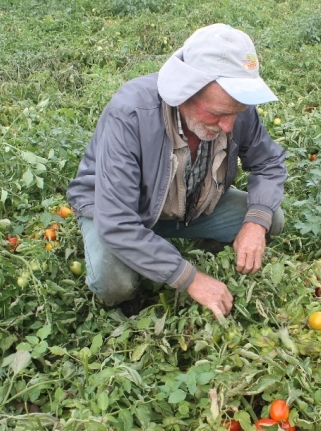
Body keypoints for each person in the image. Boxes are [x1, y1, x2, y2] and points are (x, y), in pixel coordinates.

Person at [66, 23, 287, 320]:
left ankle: (196, 247)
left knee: (269, 217)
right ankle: (129, 301)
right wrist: (191, 279)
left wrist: (255, 224)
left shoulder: (235, 109)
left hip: (189, 204)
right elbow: (117, 220)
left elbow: (268, 163)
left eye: (235, 113)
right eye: (218, 114)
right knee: (114, 282)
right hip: (118, 211)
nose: (228, 126)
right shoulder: (131, 114)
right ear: (184, 93)